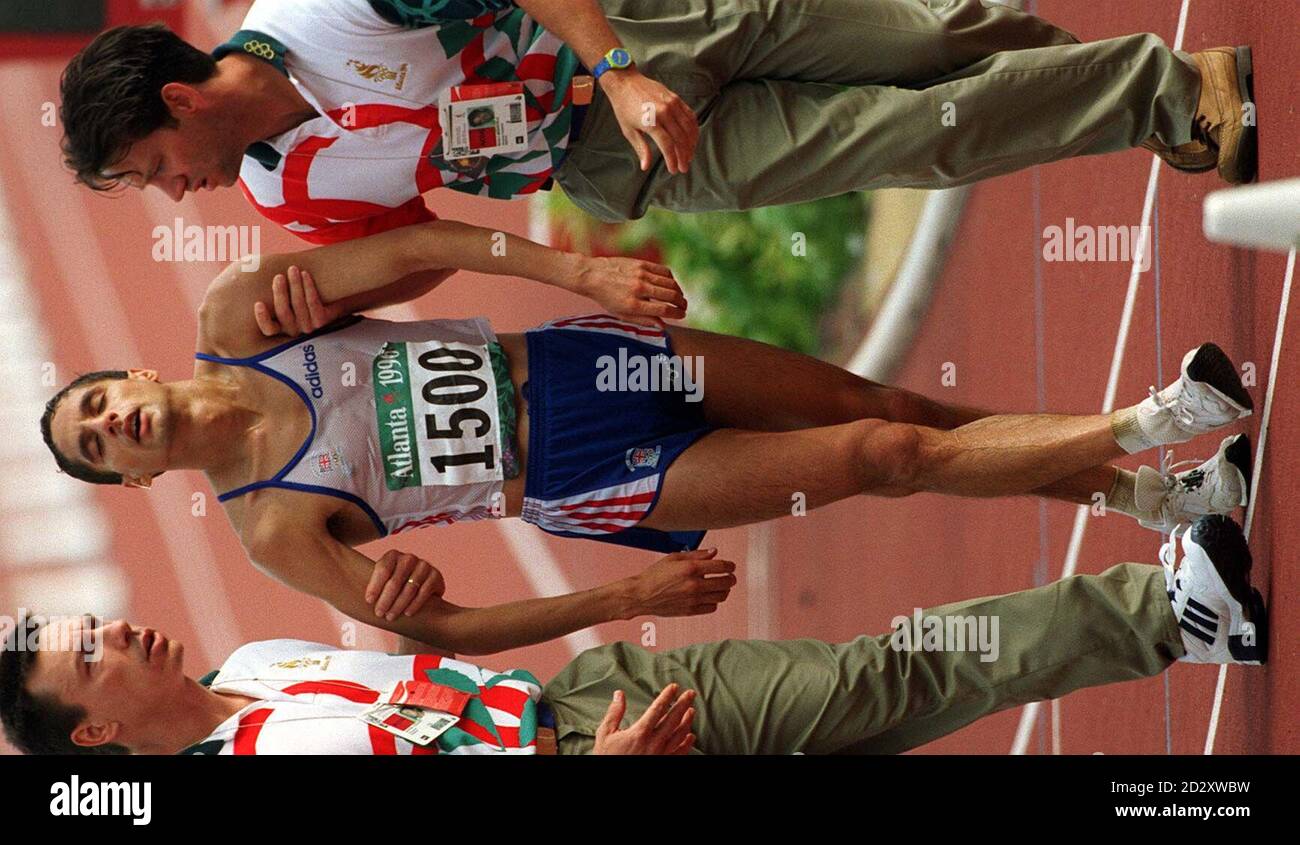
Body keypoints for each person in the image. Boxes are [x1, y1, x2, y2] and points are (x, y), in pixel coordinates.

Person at [37, 220, 1254, 655]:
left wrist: (578, 268)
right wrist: (625, 591)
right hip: (586, 474)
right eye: (102, 447)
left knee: (897, 409)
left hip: (581, 359)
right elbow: (446, 626)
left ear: (134, 375)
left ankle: (1147, 500)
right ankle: (1152, 422)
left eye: (99, 402)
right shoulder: (271, 528)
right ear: (136, 478)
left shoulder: (237, 315)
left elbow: (416, 251)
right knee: (880, 459)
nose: (116, 423)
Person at [0, 514, 1267, 756]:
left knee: (884, 673)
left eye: (93, 618)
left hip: (597, 702)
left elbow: (423, 689)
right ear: (97, 728)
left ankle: (1168, 610)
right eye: (90, 651)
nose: (117, 623)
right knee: (896, 700)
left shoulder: (253, 668)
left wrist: (402, 619)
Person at [58, 0, 1256, 245]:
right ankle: (1167, 94)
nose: (174, 192)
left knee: (931, 42)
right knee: (914, 133)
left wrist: (625, 68)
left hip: (642, 34)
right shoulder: (282, 192)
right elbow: (420, 243)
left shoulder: (328, 11)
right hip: (618, 155)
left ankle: (1149, 99)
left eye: (154, 167)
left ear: (177, 100)